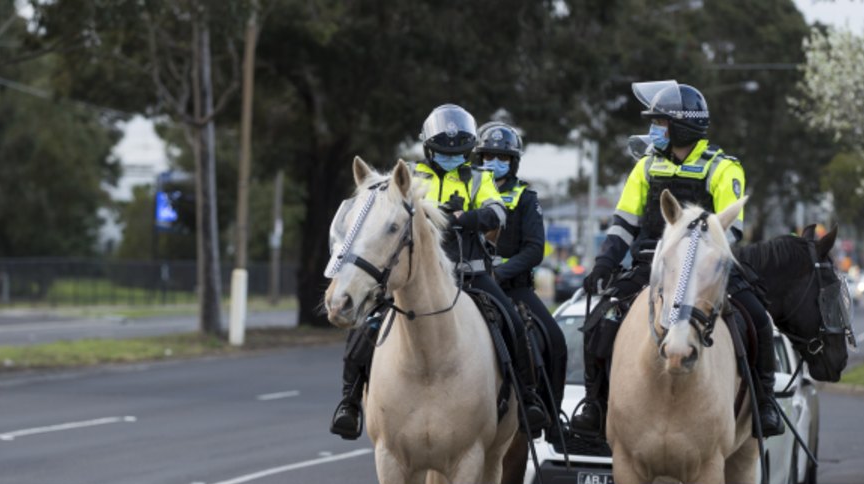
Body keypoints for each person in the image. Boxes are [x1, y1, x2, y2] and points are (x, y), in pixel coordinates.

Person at [568, 80, 784, 438]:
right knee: (599, 321)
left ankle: (765, 403)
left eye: (660, 123)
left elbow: (730, 230)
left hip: (706, 268)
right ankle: (595, 404)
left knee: (757, 318)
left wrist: (701, 260)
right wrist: (605, 264)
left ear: (682, 126)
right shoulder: (646, 167)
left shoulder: (723, 167)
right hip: (650, 266)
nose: (653, 130)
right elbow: (624, 222)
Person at [330, 104, 548, 439]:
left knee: (513, 322)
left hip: (471, 275)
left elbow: (497, 214)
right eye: (444, 153)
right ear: (429, 150)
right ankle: (349, 402)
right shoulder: (410, 178)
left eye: (459, 153)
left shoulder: (481, 178)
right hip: (418, 279)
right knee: (367, 325)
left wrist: (464, 218)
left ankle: (529, 398)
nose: (452, 159)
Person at [473, 121, 568, 415]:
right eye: (489, 157)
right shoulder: (467, 190)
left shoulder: (526, 198)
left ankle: (547, 414)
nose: (495, 163)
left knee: (555, 339)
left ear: (513, 163)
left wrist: (500, 273)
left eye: (503, 158)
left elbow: (534, 249)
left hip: (514, 288)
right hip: (468, 282)